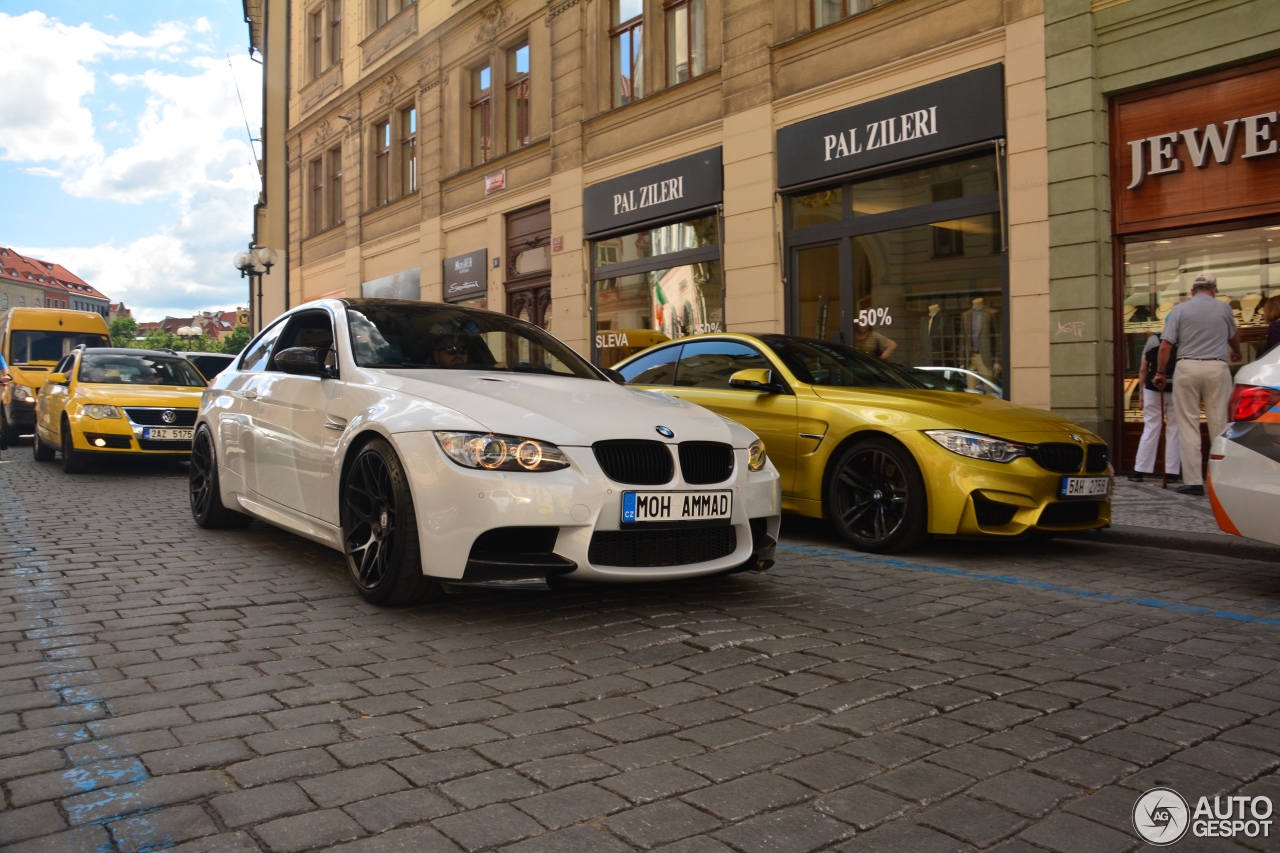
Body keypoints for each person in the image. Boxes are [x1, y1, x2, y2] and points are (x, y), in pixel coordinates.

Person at [1152, 273, 1241, 496]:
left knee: (1188, 424)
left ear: (1192, 291)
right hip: (1217, 368)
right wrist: (1237, 352)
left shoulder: (1180, 310)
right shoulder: (1224, 309)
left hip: (1187, 367)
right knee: (1220, 423)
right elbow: (1233, 336)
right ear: (1214, 290)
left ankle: (1193, 482)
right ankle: (1223, 478)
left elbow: (1165, 345)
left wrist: (1160, 372)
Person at [1128, 332, 1179, 483]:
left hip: (1153, 389)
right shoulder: (1182, 341)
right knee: (1174, 430)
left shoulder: (1153, 340)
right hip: (1176, 389)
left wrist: (1142, 392)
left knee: (1150, 428)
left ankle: (1139, 471)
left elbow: (1144, 368)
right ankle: (1171, 472)